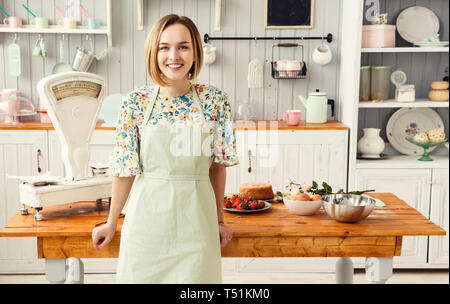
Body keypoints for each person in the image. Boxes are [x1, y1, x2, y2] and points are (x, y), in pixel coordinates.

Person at [91, 14, 238, 284]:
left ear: (195, 51)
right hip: (145, 228)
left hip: (197, 227)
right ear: (153, 52)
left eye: (183, 46)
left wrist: (219, 220)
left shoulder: (215, 100)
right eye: (164, 47)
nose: (174, 56)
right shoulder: (134, 103)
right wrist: (111, 222)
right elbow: (125, 169)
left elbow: (217, 167)